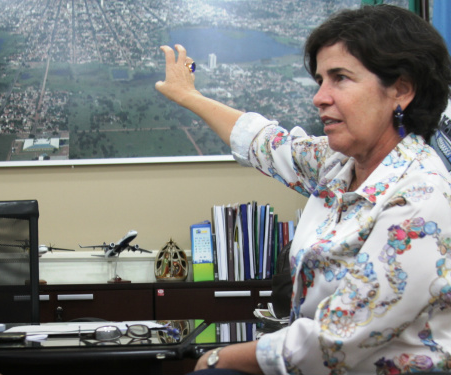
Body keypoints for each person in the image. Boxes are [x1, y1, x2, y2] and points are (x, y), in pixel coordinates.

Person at [156, 4, 451, 375]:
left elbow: (334, 340)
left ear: (402, 90)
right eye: (320, 80)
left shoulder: (421, 197)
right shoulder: (337, 165)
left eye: (340, 78)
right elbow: (264, 142)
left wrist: (220, 356)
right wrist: (188, 95)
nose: (320, 97)